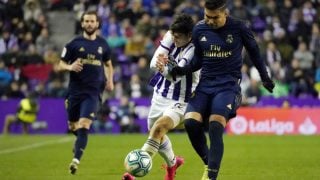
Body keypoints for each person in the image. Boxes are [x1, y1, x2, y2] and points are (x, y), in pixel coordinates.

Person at [169, 0, 275, 180]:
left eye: (214, 17)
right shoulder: (199, 29)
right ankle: (209, 162)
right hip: (205, 85)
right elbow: (198, 62)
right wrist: (181, 69)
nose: (209, 21)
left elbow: (254, 52)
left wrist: (264, 77)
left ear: (225, 13)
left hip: (228, 85)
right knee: (190, 123)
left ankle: (211, 176)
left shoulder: (239, 28)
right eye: (206, 16)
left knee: (216, 125)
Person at [122, 14, 199, 180]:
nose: (175, 39)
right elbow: (153, 63)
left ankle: (133, 172)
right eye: (174, 36)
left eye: (179, 37)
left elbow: (177, 75)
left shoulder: (194, 49)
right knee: (157, 134)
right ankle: (173, 165)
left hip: (181, 99)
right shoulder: (171, 36)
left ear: (189, 36)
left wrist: (163, 68)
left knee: (158, 129)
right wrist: (162, 67)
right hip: (160, 95)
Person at [59, 11, 114, 175]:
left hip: (93, 93)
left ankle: (75, 161)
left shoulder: (103, 44)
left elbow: (108, 64)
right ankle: (78, 139)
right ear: (82, 24)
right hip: (75, 92)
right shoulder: (73, 44)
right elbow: (60, 64)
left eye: (92, 21)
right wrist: (70, 67)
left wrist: (110, 80)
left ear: (97, 24)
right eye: (87, 21)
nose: (90, 24)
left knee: (84, 124)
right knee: (73, 126)